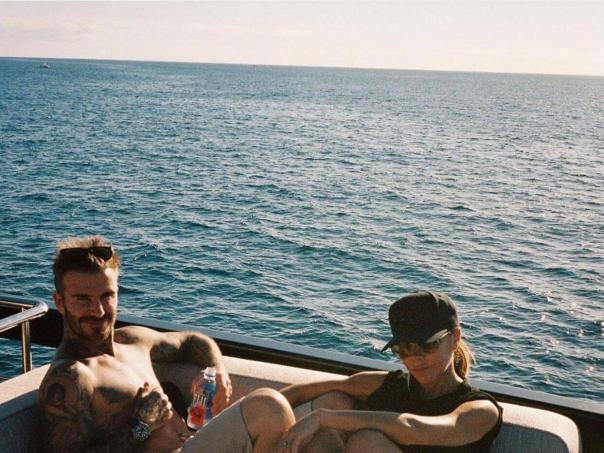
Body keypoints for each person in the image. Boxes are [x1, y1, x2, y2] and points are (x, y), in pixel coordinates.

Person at [38, 236, 295, 453]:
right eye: (82, 299)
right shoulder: (71, 377)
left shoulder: (132, 340)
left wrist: (216, 370)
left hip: (191, 441)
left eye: (107, 296)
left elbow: (191, 341)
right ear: (60, 302)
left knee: (311, 409)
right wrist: (141, 426)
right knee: (268, 408)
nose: (98, 310)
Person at [279, 291, 502, 453]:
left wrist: (323, 418)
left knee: (367, 443)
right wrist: (271, 412)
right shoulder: (387, 385)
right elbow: (301, 392)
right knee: (334, 400)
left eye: (428, 345)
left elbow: (414, 429)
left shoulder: (481, 411)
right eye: (404, 348)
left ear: (455, 338)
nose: (415, 357)